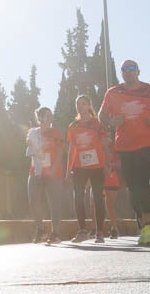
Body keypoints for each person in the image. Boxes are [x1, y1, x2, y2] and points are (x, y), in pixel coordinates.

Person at [99, 59, 150, 244]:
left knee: (142, 181)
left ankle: (148, 226)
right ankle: (144, 222)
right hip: (124, 145)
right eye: (124, 69)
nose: (128, 71)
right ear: (121, 73)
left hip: (147, 143)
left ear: (138, 71)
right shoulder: (113, 92)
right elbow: (101, 115)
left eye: (132, 68)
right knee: (131, 186)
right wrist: (111, 121)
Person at [66, 94, 110, 241]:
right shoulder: (73, 126)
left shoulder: (96, 124)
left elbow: (105, 145)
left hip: (97, 166)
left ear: (89, 106)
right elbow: (71, 149)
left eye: (83, 103)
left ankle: (100, 232)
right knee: (78, 196)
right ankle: (82, 231)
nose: (80, 106)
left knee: (98, 197)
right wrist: (68, 171)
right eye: (78, 104)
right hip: (79, 167)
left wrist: (107, 165)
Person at [25, 106, 69, 243]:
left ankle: (55, 233)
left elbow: (60, 152)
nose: (50, 119)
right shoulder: (33, 132)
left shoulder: (56, 133)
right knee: (33, 200)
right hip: (36, 171)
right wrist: (30, 141)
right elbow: (29, 146)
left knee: (54, 203)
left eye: (51, 116)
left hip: (53, 173)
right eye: (47, 116)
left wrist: (53, 168)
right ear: (40, 118)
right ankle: (41, 229)